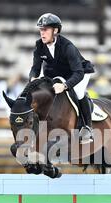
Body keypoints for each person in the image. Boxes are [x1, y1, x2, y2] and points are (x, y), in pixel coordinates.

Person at [29, 13, 95, 144]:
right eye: (41, 30)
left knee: (78, 93)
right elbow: (35, 68)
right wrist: (32, 79)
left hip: (78, 72)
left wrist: (64, 86)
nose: (42, 33)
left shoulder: (67, 47)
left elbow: (78, 73)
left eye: (45, 29)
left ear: (55, 30)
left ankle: (87, 127)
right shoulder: (39, 46)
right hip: (56, 73)